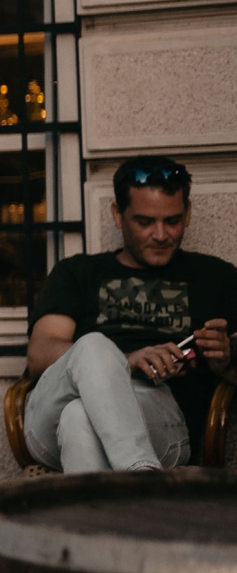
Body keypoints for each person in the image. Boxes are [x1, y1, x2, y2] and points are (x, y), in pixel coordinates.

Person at [24, 155, 236, 472]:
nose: (161, 234)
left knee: (79, 418)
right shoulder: (78, 272)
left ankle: (123, 494)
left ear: (188, 213)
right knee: (94, 346)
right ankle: (139, 473)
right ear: (118, 215)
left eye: (173, 221)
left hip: (160, 421)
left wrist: (226, 359)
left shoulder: (215, 277)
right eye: (145, 222)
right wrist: (125, 360)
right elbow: (40, 352)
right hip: (51, 424)